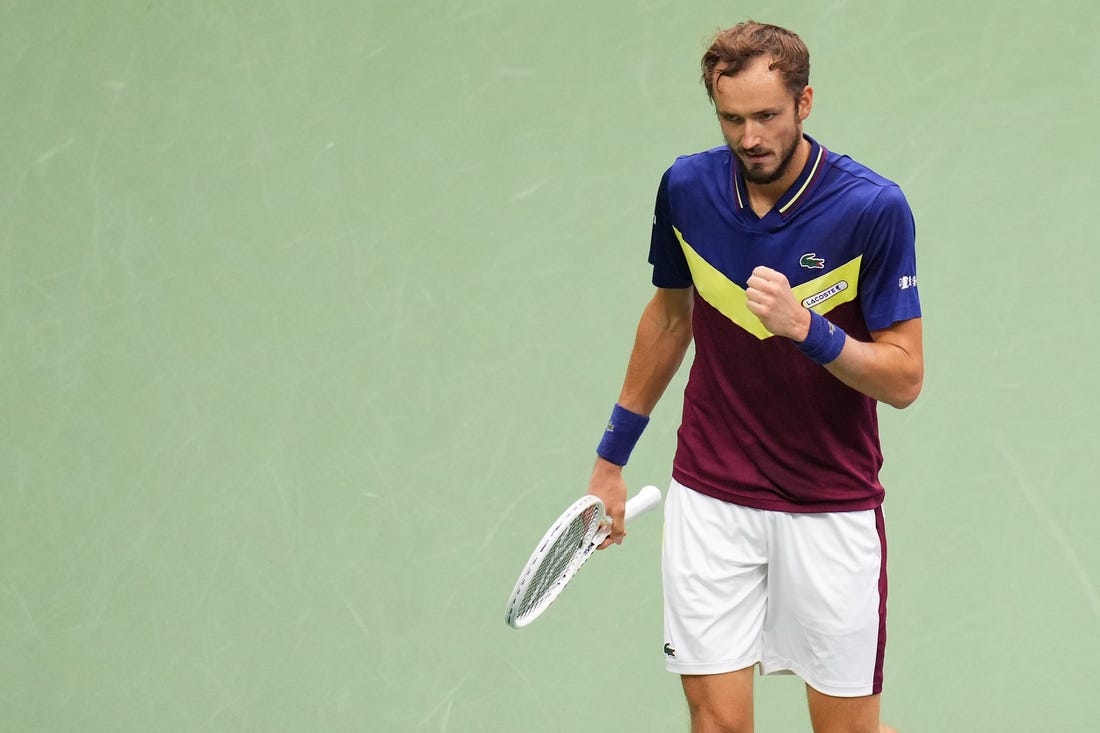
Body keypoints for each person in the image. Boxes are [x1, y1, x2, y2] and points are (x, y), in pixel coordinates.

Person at [587, 20, 923, 733]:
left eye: (767, 115)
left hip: (830, 501)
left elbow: (903, 378)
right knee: (717, 726)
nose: (750, 138)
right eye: (732, 119)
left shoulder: (871, 208)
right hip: (712, 493)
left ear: (805, 104)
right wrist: (609, 462)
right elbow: (669, 319)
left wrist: (811, 329)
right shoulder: (686, 189)